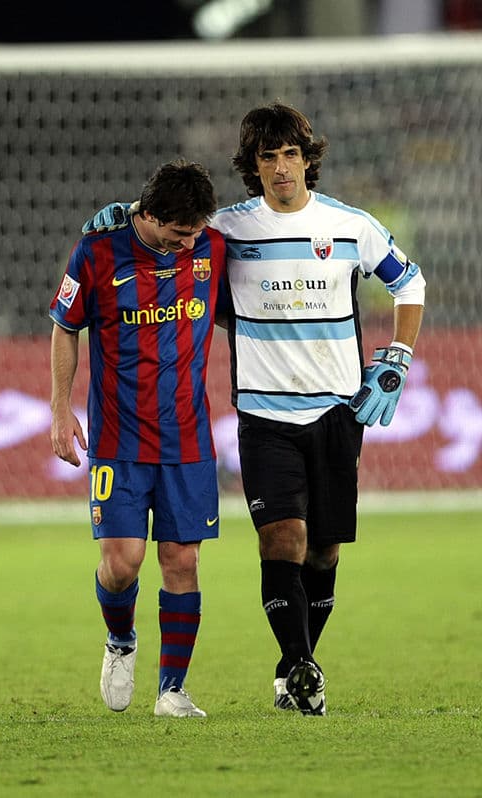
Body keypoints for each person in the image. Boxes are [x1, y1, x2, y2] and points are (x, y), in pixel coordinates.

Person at [83, 102, 426, 715]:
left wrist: (398, 355)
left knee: (323, 551)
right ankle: (299, 667)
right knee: (281, 540)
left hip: (337, 413)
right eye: (268, 157)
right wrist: (122, 217)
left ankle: (294, 667)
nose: (281, 168)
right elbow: (167, 231)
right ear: (253, 167)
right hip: (264, 416)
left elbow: (410, 283)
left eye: (291, 154)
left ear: (307, 159)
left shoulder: (351, 226)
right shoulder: (230, 231)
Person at [50, 160, 226, 718]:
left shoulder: (212, 246)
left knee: (182, 561)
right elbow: (65, 325)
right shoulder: (96, 253)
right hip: (118, 439)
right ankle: (120, 641)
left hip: (189, 438)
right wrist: (59, 409)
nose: (187, 245)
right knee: (123, 563)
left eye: (195, 234)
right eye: (178, 235)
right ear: (146, 215)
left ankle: (172, 690)